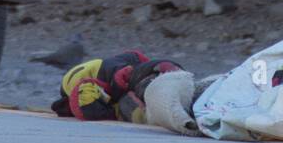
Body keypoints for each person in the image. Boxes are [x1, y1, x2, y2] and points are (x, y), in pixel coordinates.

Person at [50, 50, 184, 125]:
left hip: (113, 69)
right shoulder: (88, 87)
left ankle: (168, 77)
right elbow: (84, 106)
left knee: (139, 70)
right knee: (131, 107)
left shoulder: (129, 64)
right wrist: (115, 112)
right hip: (91, 79)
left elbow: (136, 57)